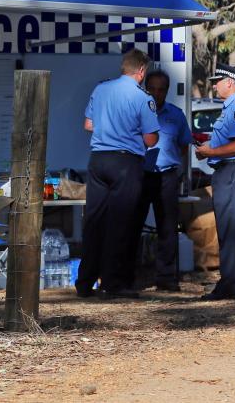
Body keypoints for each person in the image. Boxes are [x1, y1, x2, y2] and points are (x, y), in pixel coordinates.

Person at [77, 49, 160, 300]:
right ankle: (112, 282)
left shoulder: (101, 89)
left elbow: (88, 125)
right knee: (121, 223)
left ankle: (85, 281)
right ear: (142, 71)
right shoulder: (142, 97)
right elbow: (151, 138)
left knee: (94, 221)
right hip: (126, 162)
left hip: (99, 160)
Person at [194, 65, 235, 300]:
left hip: (233, 169)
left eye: (218, 80)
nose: (214, 85)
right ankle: (234, 283)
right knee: (232, 229)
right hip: (232, 169)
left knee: (229, 230)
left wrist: (211, 151)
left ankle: (230, 284)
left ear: (230, 83)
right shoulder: (233, 107)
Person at [139, 70, 192, 292]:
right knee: (133, 226)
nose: (156, 93)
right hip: (141, 175)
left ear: (167, 91)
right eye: (151, 88)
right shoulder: (137, 112)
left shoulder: (176, 115)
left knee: (168, 228)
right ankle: (129, 276)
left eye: (161, 89)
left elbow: (184, 144)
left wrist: (175, 167)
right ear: (145, 88)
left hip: (167, 176)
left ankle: (166, 277)